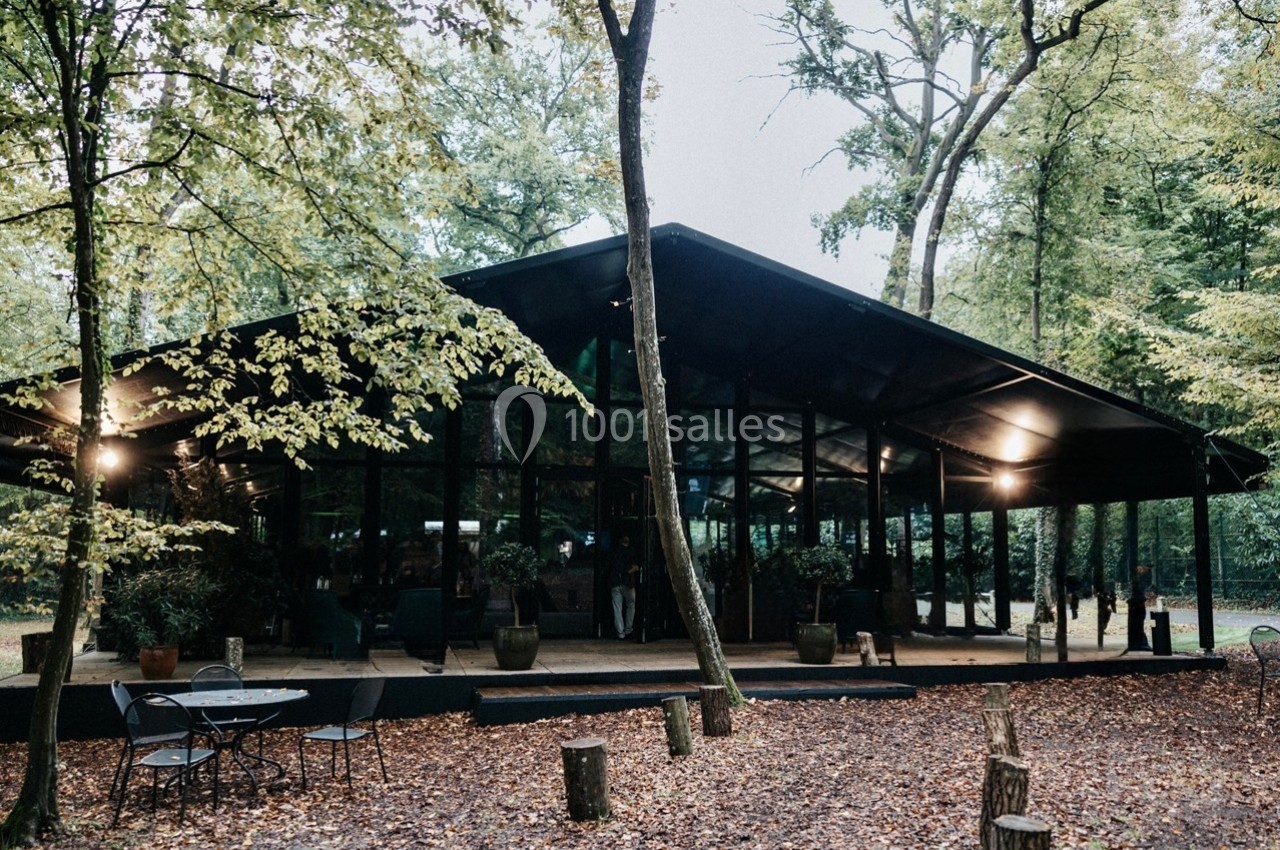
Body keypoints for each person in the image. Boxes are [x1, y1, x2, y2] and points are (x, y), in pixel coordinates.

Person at [608, 535, 641, 640]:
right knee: (631, 605)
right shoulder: (631, 552)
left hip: (615, 582)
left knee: (617, 608)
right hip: (628, 583)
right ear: (628, 542)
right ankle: (628, 629)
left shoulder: (613, 552)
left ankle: (620, 632)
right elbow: (634, 567)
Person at [1127, 564, 1155, 651]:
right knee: (1137, 623)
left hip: (1137, 603)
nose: (1147, 571)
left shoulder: (1139, 579)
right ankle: (1140, 643)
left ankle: (1139, 643)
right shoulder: (1137, 580)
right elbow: (1136, 592)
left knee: (1137, 623)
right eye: (1146, 568)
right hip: (1137, 604)